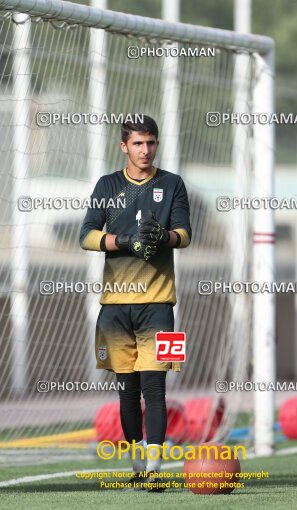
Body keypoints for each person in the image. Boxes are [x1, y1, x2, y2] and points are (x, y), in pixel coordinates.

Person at [79, 115, 191, 491]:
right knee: (126, 390)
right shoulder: (107, 185)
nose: (146, 150)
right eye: (138, 143)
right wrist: (125, 241)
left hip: (159, 304)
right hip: (114, 307)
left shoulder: (172, 183)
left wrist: (164, 237)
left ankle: (155, 470)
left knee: (155, 388)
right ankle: (137, 464)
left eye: (151, 143)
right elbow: (87, 236)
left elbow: (185, 235)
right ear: (123, 146)